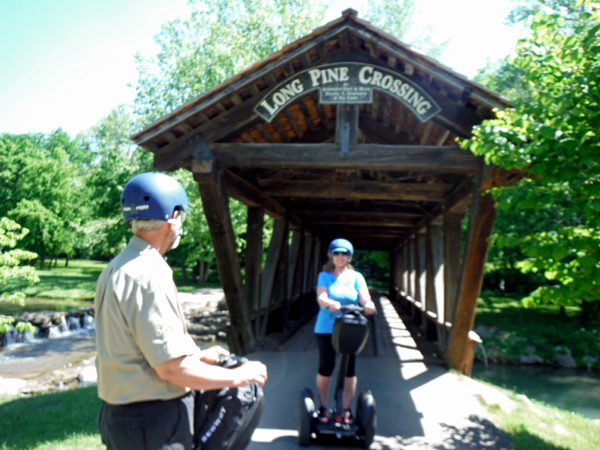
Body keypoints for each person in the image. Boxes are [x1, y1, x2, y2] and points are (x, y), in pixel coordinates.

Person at [94, 172, 267, 450]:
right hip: (155, 422)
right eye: (182, 216)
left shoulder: (116, 268)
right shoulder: (149, 273)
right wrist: (241, 377)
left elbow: (133, 348)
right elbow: (171, 369)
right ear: (172, 217)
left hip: (120, 418)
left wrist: (198, 356)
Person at [314, 238, 376, 425]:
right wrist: (329, 303)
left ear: (349, 257)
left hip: (350, 326)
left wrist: (369, 306)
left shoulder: (356, 277)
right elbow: (321, 296)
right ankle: (323, 408)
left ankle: (346, 410)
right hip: (326, 328)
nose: (340, 257)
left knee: (349, 369)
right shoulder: (324, 276)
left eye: (344, 253)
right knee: (326, 366)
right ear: (331, 256)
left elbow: (365, 299)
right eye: (337, 253)